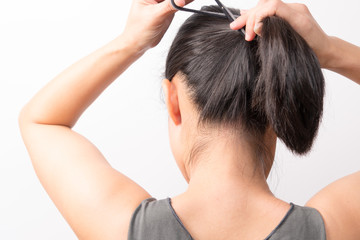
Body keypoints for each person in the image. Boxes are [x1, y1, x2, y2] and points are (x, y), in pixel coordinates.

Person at [18, 0, 360, 239]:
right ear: (276, 103)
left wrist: (131, 42)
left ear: (173, 101)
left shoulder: (124, 228)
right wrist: (328, 50)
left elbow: (41, 121)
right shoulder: (332, 227)